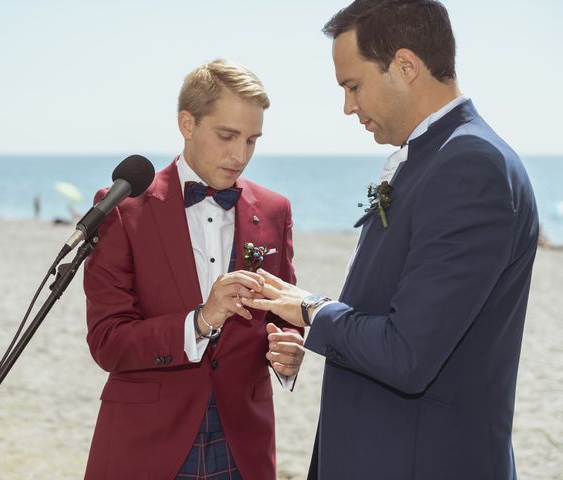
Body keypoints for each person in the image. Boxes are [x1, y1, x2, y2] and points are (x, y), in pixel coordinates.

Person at [241, 1, 540, 479]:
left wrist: (311, 309)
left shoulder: (470, 164)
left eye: (353, 85)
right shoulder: (435, 155)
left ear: (406, 65)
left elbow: (407, 355)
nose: (347, 107)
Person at [83, 59, 305, 480]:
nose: (240, 155)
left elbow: (283, 312)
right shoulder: (123, 208)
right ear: (187, 123)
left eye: (252, 140)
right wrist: (200, 322)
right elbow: (107, 341)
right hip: (146, 446)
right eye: (227, 136)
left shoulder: (276, 210)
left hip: (243, 446)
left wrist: (288, 351)